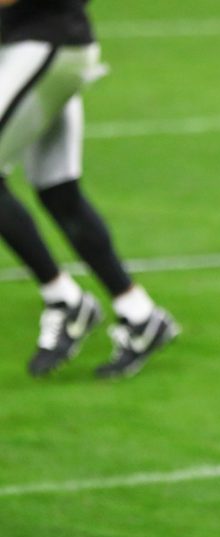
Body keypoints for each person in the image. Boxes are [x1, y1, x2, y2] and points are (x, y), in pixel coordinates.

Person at [0, 0, 177, 377]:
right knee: (58, 190)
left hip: (45, 43)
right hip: (40, 44)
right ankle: (140, 314)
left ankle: (63, 300)